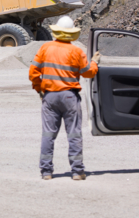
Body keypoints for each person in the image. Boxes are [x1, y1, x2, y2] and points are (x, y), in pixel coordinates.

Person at [29, 16, 100, 181]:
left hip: (50, 97)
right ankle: (77, 171)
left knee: (48, 135)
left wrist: (40, 90)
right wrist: (95, 62)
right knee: (74, 134)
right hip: (70, 97)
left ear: (56, 31)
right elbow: (88, 72)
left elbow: (33, 72)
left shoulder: (45, 48)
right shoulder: (76, 51)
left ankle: (46, 172)